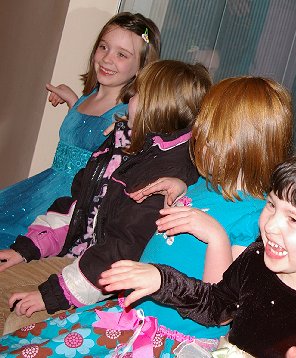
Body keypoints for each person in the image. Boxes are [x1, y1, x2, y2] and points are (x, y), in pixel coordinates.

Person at [0, 76, 293, 357]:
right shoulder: (205, 184)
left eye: (209, 134)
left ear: (244, 143)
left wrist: (215, 236)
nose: (198, 140)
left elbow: (218, 307)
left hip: (165, 337)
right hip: (131, 314)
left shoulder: (255, 215)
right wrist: (179, 187)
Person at [99, 143, 296, 357]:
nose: (270, 225)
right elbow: (215, 306)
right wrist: (162, 281)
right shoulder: (255, 258)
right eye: (272, 205)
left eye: (293, 219)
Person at [0, 59, 211, 336]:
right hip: (81, 261)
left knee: (19, 321)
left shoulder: (165, 174)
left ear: (158, 106)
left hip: (106, 285)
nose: (127, 100)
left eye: (136, 95)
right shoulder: (122, 143)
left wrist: (51, 295)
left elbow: (122, 251)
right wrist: (26, 250)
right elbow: (79, 206)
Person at [0, 12, 161, 249]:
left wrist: (134, 124)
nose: (107, 58)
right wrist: (73, 102)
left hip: (70, 203)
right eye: (103, 47)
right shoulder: (86, 98)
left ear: (141, 68)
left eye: (122, 54)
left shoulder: (129, 113)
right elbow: (84, 135)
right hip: (42, 187)